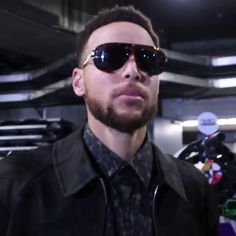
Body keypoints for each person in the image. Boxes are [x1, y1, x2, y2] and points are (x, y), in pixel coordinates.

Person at [0, 5, 219, 236]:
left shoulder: (194, 189)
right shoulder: (15, 183)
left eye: (148, 60)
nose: (133, 71)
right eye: (110, 56)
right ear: (78, 81)